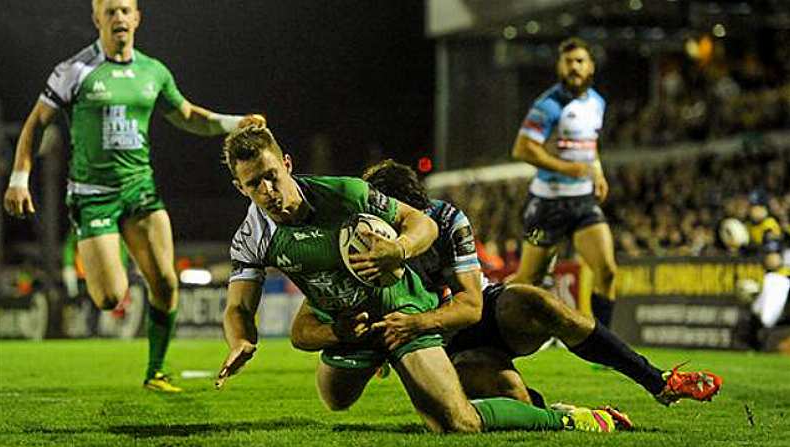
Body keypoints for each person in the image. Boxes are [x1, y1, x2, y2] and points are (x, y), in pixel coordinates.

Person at [216, 124, 626, 434]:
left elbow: (422, 223)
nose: (268, 189)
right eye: (255, 183)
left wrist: (400, 249)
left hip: (403, 312)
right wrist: (240, 340)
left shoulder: (345, 194)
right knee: (335, 400)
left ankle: (565, 419)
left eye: (272, 174)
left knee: (457, 422)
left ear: (286, 164)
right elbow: (238, 306)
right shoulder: (252, 238)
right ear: (241, 188)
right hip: (353, 327)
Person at [291, 159, 722, 408]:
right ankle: (547, 412)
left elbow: (472, 307)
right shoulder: (354, 240)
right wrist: (353, 334)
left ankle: (658, 381)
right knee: (509, 393)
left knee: (534, 300)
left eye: (415, 213)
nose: (412, 225)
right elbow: (304, 325)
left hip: (454, 319)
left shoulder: (445, 219)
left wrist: (416, 323)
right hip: (440, 348)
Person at [2, 0, 264, 392]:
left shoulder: (153, 71)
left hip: (141, 191)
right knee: (110, 298)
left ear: (137, 17)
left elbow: (188, 115)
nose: (119, 18)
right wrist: (20, 177)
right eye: (110, 12)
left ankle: (155, 372)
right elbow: (36, 122)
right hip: (93, 195)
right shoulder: (75, 71)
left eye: (125, 10)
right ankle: (107, 264)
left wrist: (234, 123)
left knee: (166, 283)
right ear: (97, 19)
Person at [509, 37, 617, 328]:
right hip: (548, 202)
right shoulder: (548, 106)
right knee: (526, 282)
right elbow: (522, 149)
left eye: (580, 61)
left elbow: (589, 145)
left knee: (606, 271)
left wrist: (598, 172)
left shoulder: (597, 102)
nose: (574, 67)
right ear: (559, 66)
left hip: (583, 201)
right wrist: (567, 169)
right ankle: (487, 324)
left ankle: (603, 344)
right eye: (568, 62)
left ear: (590, 66)